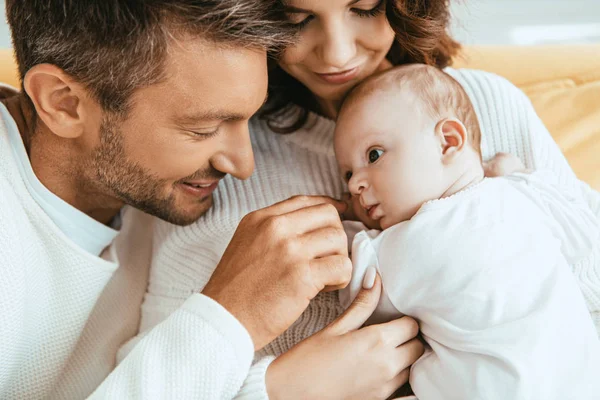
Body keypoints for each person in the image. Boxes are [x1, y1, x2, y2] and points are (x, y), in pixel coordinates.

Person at [136, 0, 600, 399]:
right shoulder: (221, 156)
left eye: (364, 8)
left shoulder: (488, 103)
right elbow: (161, 375)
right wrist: (278, 388)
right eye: (298, 18)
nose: (337, 52)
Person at [0, 1, 412, 398]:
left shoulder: (145, 190)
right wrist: (236, 329)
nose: (243, 166)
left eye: (247, 117)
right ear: (64, 103)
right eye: (203, 129)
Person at [334, 64, 600, 399]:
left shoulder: (407, 242)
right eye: (346, 175)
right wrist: (518, 175)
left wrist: (347, 232)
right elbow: (584, 235)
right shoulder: (522, 194)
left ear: (447, 141)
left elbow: (360, 300)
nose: (356, 184)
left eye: (373, 155)